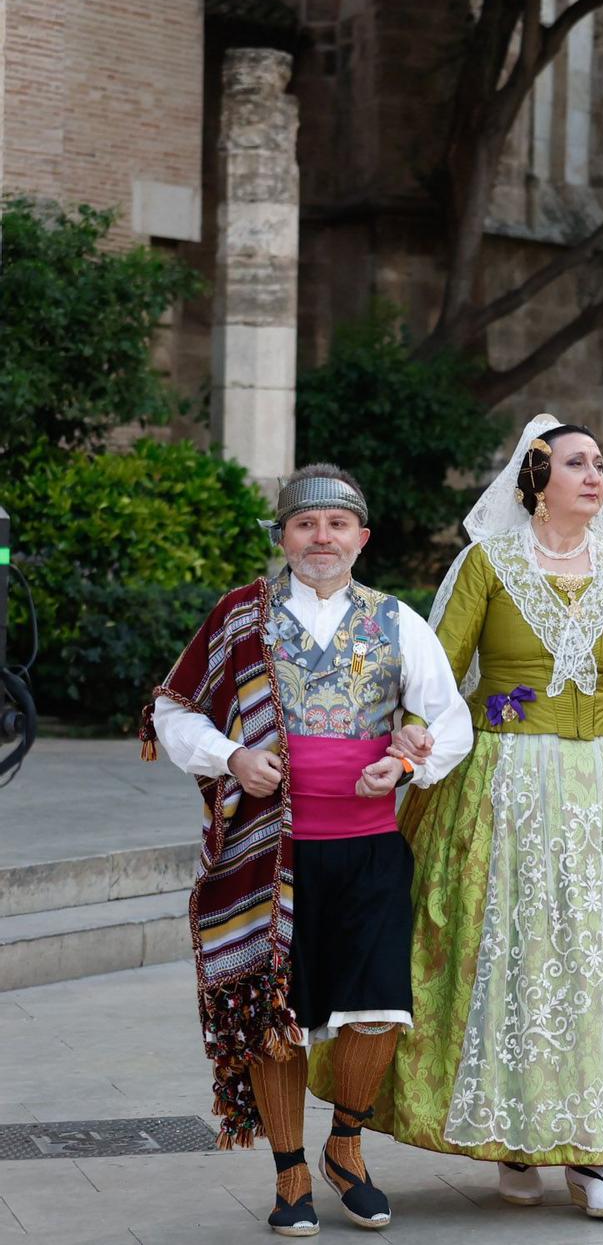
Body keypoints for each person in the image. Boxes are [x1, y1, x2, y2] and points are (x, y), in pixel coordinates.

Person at [358, 416, 603, 1220]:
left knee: (601, 961)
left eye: (600, 463)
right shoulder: (489, 563)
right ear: (537, 480)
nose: (595, 475)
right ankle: (514, 1137)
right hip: (511, 784)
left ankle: (592, 1153)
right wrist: (413, 744)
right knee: (517, 955)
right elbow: (438, 672)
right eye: (577, 462)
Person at [140, 465, 474, 1236]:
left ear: (361, 537)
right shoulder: (239, 618)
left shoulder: (397, 620)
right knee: (272, 1016)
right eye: (304, 525)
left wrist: (409, 762)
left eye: (337, 526)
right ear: (282, 537)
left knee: (379, 1010)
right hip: (269, 856)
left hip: (369, 850)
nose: (321, 539)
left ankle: (346, 1147)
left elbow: (449, 719)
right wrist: (232, 757)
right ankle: (290, 1167)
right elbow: (171, 709)